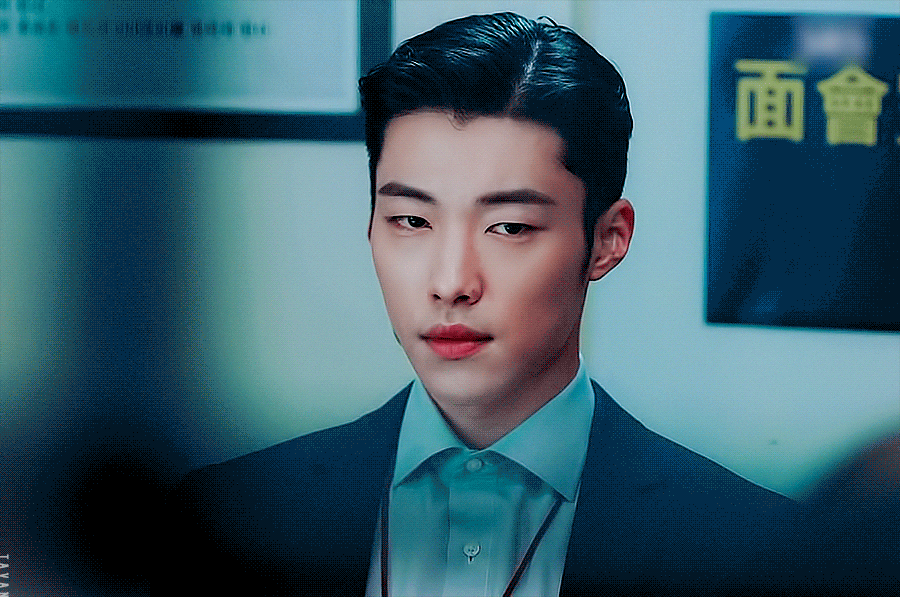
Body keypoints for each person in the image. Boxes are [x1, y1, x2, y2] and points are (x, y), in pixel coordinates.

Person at [167, 13, 804, 596]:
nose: (451, 283)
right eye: (412, 220)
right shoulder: (228, 518)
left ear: (607, 240)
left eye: (510, 227)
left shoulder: (753, 549)